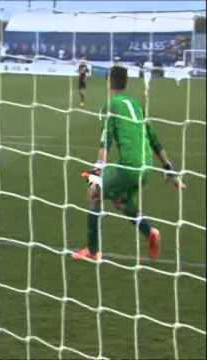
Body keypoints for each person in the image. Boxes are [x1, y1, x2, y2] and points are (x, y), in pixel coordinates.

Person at [73, 66, 185, 262]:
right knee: (122, 201)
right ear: (126, 82)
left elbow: (105, 142)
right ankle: (150, 232)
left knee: (93, 191)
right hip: (146, 167)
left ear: (109, 82)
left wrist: (96, 173)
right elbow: (154, 138)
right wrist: (169, 170)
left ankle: (92, 251)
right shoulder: (136, 104)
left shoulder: (111, 106)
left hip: (130, 167)